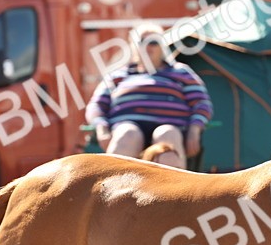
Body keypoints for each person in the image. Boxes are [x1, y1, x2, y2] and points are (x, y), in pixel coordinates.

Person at [87, 23, 212, 170]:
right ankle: (113, 190)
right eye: (142, 42)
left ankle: (171, 191)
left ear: (162, 46)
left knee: (167, 134)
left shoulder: (181, 72)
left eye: (153, 42)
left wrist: (194, 130)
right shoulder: (118, 75)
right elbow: (96, 105)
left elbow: (201, 103)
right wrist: (102, 130)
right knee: (127, 133)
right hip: (126, 126)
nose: (148, 47)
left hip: (171, 126)